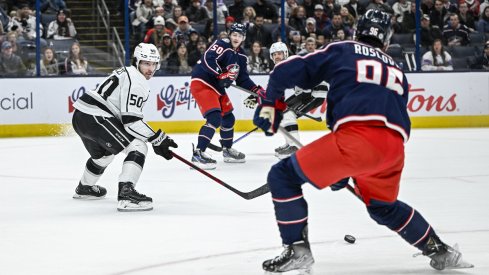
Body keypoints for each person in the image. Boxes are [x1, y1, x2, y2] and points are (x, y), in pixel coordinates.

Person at [253, 9, 474, 273]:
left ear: (358, 31)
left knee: (283, 176)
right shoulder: (397, 70)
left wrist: (269, 106)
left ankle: (297, 249)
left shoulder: (344, 49)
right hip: (393, 150)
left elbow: (283, 72)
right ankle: (440, 250)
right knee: (383, 208)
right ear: (387, 40)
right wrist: (345, 168)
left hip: (356, 140)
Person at [71, 43, 178, 212]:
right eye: (146, 63)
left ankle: (85, 188)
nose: (150, 68)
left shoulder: (127, 71)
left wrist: (156, 139)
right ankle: (127, 194)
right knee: (138, 146)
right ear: (136, 62)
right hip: (96, 117)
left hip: (81, 116)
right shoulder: (138, 81)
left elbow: (123, 117)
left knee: (104, 155)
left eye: (153, 64)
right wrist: (158, 138)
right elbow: (131, 122)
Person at [189, 22, 264, 170]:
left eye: (240, 35)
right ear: (230, 35)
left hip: (218, 87)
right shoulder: (221, 44)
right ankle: (198, 153)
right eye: (234, 34)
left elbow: (242, 79)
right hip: (203, 82)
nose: (236, 38)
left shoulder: (241, 56)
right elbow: (207, 59)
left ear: (244, 38)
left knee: (228, 118)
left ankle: (227, 150)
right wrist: (220, 73)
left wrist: (256, 90)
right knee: (214, 118)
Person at [244, 41, 327, 159]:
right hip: (305, 92)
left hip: (315, 91)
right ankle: (290, 144)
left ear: (285, 54)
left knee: (288, 114)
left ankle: (295, 147)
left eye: (280, 54)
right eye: (274, 54)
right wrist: (256, 95)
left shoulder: (291, 61)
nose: (277, 56)